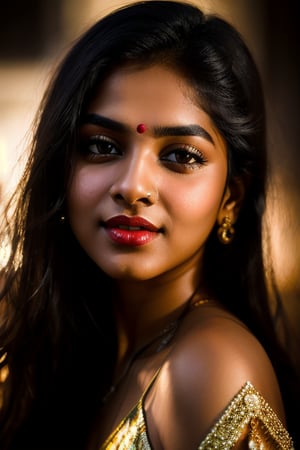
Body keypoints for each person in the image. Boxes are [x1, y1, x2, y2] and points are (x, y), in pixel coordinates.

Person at [0, 1, 298, 448]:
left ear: (230, 198)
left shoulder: (210, 367)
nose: (133, 186)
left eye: (181, 155)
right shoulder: (84, 351)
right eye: (101, 146)